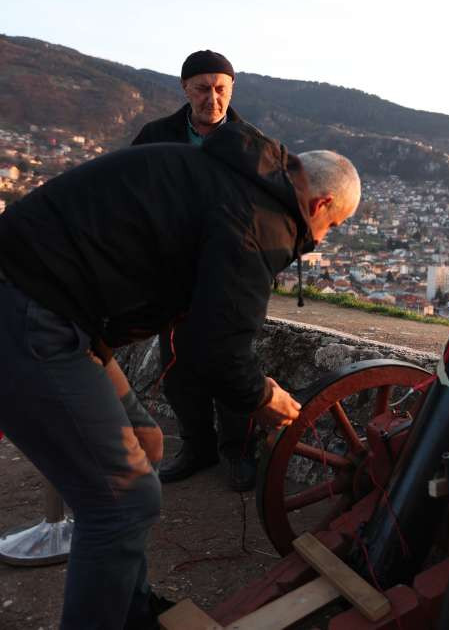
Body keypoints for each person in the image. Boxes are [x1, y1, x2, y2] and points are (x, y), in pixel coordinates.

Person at [0, 122, 360, 630]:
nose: (322, 239)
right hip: (32, 311)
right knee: (123, 501)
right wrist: (262, 398)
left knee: (146, 441)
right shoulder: (264, 220)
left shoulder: (233, 176)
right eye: (335, 226)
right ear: (321, 205)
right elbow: (216, 351)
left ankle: (128, 607)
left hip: (56, 306)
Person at [132, 50, 257, 490]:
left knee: (231, 361)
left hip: (230, 274)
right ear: (184, 88)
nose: (212, 98)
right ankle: (198, 447)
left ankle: (240, 451)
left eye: (221, 88)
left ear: (231, 90)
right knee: (178, 365)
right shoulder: (156, 136)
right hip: (173, 271)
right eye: (202, 88)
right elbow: (130, 195)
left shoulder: (250, 143)